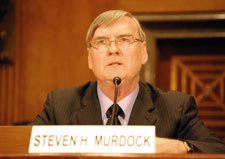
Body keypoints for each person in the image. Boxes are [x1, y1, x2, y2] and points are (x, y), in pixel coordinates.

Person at [30, 10, 225, 153]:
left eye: (124, 40)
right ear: (90, 58)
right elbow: (20, 145)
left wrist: (180, 146)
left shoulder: (175, 108)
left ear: (143, 52)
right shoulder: (61, 105)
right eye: (101, 42)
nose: (113, 49)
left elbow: (216, 149)